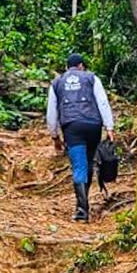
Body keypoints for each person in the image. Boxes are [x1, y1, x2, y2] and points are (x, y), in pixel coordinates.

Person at [46, 52, 115, 221]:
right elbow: (102, 102)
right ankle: (84, 204)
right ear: (82, 66)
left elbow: (52, 111)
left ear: (66, 67)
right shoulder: (92, 78)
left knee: (79, 165)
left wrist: (54, 135)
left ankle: (82, 210)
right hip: (92, 125)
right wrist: (110, 126)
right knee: (89, 161)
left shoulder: (57, 83)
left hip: (72, 127)